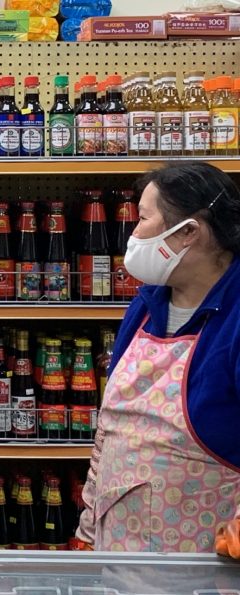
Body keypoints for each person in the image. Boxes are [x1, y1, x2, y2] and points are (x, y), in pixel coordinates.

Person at [76, 161, 240, 553]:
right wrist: (86, 531)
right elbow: (111, 430)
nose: (133, 234)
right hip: (119, 558)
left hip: (205, 571)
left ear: (187, 234)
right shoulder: (147, 305)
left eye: (143, 219)